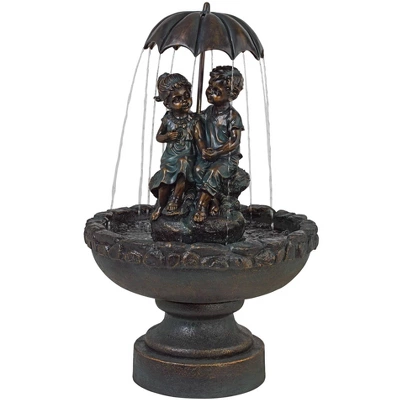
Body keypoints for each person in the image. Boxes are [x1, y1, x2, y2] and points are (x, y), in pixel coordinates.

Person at [149, 73, 204, 221]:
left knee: (183, 165)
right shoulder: (168, 119)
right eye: (177, 99)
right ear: (167, 104)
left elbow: (200, 140)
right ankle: (160, 205)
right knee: (165, 177)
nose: (184, 101)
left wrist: (205, 152)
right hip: (171, 156)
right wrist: (167, 136)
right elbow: (158, 137)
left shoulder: (194, 119)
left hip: (188, 156)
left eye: (187, 96)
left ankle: (176, 198)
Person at [193, 66, 245, 223]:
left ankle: (201, 206)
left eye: (216, 90)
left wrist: (217, 152)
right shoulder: (206, 113)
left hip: (226, 158)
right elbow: (198, 132)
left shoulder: (233, 116)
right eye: (210, 87)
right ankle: (214, 200)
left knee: (214, 172)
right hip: (208, 155)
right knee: (197, 169)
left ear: (232, 94)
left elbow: (234, 141)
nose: (210, 92)